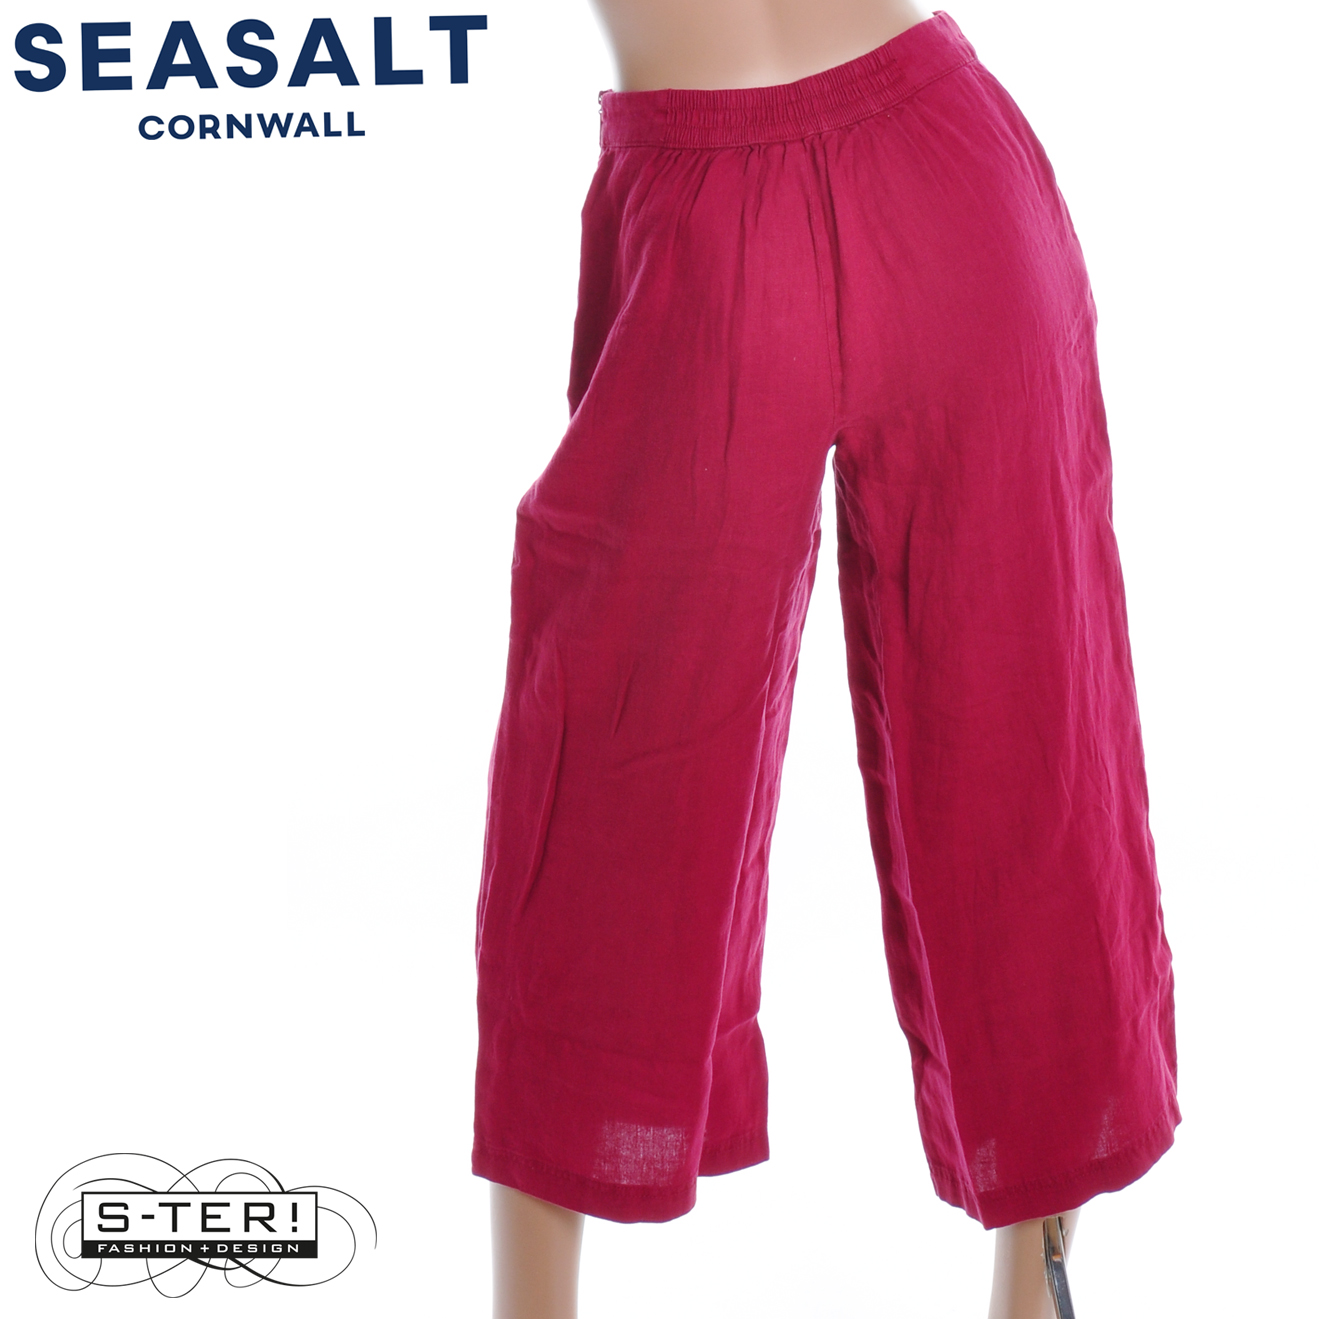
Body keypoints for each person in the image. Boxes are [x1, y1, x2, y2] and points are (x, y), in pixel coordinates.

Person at [471, 4, 1180, 1317]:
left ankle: (1033, 1299)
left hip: (918, 176)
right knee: (614, 760)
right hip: (800, 201)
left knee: (1020, 739)